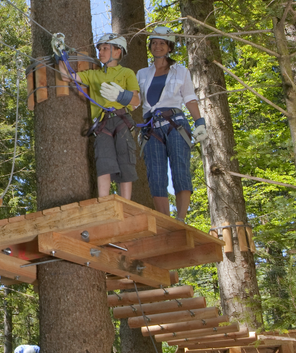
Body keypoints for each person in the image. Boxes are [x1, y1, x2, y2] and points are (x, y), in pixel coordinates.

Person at [136, 27, 208, 223]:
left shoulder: (180, 71)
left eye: (162, 43)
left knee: (180, 168)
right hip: (151, 127)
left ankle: (181, 219)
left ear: (169, 47)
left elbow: (189, 98)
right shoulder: (142, 74)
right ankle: (165, 221)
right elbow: (135, 101)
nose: (157, 46)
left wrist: (199, 122)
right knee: (155, 175)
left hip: (175, 123)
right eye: (154, 43)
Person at [71, 32, 142, 199]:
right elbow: (68, 76)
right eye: (99, 49)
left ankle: (126, 202)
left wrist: (121, 96)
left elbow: (136, 101)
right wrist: (60, 56)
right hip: (103, 123)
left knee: (125, 160)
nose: (100, 52)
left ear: (117, 51)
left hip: (122, 119)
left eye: (105, 48)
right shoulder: (94, 75)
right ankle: (103, 201)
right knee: (103, 161)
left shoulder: (126, 73)